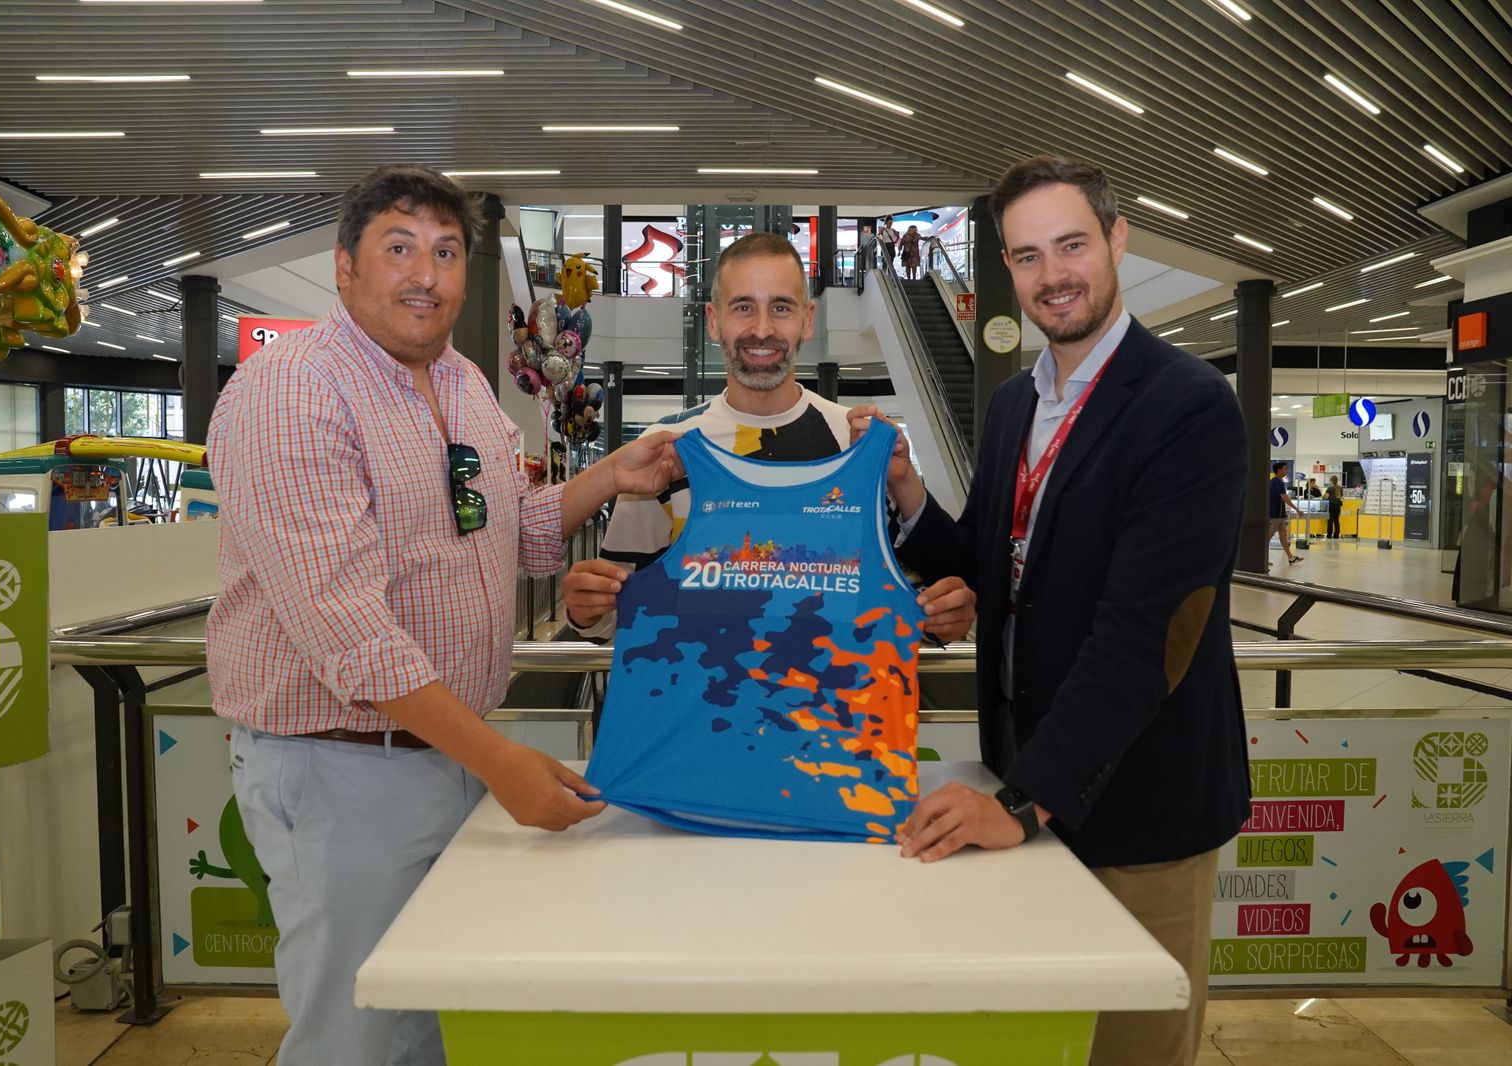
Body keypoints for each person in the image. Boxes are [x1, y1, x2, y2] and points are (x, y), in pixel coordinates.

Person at [206, 164, 681, 1066]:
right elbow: (349, 636)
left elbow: (521, 535)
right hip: (341, 768)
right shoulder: (292, 392)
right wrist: (504, 764)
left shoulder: (461, 382)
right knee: (353, 1034)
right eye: (399, 248)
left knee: (427, 1026)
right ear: (344, 267)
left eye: (446, 251)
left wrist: (610, 476)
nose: (425, 273)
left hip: (445, 755)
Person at [855, 155, 1251, 1066]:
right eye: (1027, 256)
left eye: (1071, 245)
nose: (1052, 275)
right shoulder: (1011, 407)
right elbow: (996, 571)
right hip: (1022, 789)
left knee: (1126, 1049)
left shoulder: (1186, 407)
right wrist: (911, 499)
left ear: (1118, 240)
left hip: (1136, 817)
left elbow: (1145, 635)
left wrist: (1027, 802)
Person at [562, 230, 975, 651]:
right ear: (714, 321)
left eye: (781, 307)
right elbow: (616, 612)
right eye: (743, 307)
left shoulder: (858, 443)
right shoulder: (666, 447)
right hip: (708, 705)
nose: (762, 329)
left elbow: (913, 599)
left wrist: (947, 613)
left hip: (833, 707)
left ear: (807, 320)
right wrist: (585, 610)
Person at [1268, 461, 1305, 563]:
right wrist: (1297, 509)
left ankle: (1290, 557)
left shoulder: (1273, 481)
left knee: (1283, 537)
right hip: (1276, 515)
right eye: (1285, 469)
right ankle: (1260, 560)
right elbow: (1285, 497)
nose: (1286, 471)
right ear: (1279, 470)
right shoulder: (1277, 482)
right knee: (1267, 537)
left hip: (1279, 515)